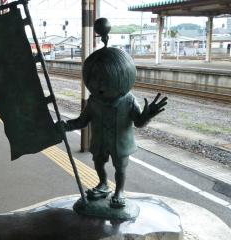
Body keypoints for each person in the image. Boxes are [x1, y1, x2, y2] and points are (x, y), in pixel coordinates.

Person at [60, 46, 167, 208]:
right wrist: (66, 126)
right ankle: (103, 184)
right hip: (100, 141)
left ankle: (119, 191)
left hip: (121, 143)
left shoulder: (129, 100)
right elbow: (82, 121)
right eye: (94, 80)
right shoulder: (94, 101)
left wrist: (147, 116)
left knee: (120, 168)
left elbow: (138, 122)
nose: (99, 86)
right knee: (98, 163)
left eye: (105, 81)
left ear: (123, 79)